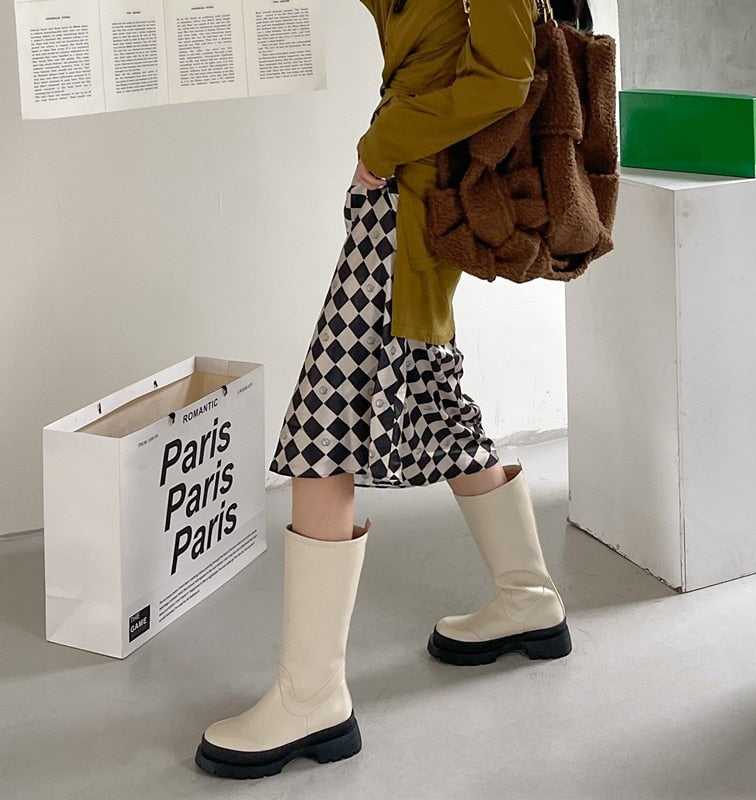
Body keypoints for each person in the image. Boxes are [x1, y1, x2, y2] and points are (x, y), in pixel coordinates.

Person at [194, 0, 591, 780]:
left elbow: (503, 78)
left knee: (326, 419)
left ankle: (311, 697)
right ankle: (528, 599)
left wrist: (378, 148)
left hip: (412, 198)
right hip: (403, 194)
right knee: (432, 398)